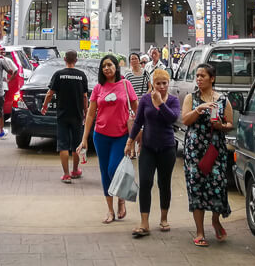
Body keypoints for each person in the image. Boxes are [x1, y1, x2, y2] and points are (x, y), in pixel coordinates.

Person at [79, 54, 138, 224]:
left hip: (121, 136)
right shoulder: (98, 88)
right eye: (104, 66)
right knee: (105, 173)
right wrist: (84, 138)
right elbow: (90, 114)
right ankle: (110, 210)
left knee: (114, 169)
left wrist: (137, 134)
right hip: (101, 136)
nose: (107, 68)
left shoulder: (126, 85)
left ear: (116, 67)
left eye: (110, 65)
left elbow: (136, 108)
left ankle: (121, 199)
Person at [180, 62, 232, 246]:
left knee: (218, 184)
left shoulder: (223, 99)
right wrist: (198, 109)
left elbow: (230, 124)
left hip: (215, 149)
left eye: (203, 76)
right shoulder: (190, 98)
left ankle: (216, 220)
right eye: (198, 76)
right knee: (196, 187)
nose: (199, 79)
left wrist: (221, 126)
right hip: (195, 149)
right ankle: (200, 232)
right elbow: (185, 120)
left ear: (212, 78)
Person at [126, 69, 180, 237]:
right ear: (152, 84)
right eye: (158, 83)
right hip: (148, 147)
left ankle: (164, 218)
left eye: (165, 83)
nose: (162, 86)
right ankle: (144, 222)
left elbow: (172, 119)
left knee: (164, 183)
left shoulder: (173, 100)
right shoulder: (145, 100)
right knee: (146, 182)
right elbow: (138, 121)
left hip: (167, 148)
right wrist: (130, 141)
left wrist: (161, 104)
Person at [41, 50, 89, 183]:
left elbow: (50, 93)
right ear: (76, 60)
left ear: (64, 59)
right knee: (76, 144)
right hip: (77, 115)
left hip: (62, 115)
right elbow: (85, 97)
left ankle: (66, 175)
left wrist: (44, 106)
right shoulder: (81, 75)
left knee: (63, 145)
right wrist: (85, 112)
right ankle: (75, 170)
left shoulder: (59, 74)